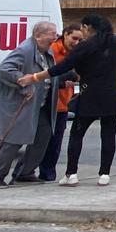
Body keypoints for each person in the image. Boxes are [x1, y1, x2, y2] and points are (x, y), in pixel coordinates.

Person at [21, 14, 116, 187]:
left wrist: (35, 77)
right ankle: (104, 174)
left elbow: (62, 67)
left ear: (88, 27)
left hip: (90, 95)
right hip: (114, 95)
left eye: (83, 29)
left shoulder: (86, 46)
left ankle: (71, 173)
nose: (82, 33)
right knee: (109, 134)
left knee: (77, 134)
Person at [0, 21, 58, 187]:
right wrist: (24, 85)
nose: (54, 37)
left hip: (41, 104)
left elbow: (48, 74)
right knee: (13, 140)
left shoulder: (47, 51)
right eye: (51, 34)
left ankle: (25, 173)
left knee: (43, 137)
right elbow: (3, 70)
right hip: (20, 104)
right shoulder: (25, 50)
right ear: (38, 35)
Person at [37, 25, 82, 182]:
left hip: (63, 103)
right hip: (49, 103)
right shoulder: (54, 51)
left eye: (80, 39)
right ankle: (37, 172)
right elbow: (50, 73)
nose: (77, 42)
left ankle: (48, 173)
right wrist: (66, 80)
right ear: (65, 35)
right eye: (74, 38)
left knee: (55, 142)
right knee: (44, 141)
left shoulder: (74, 53)